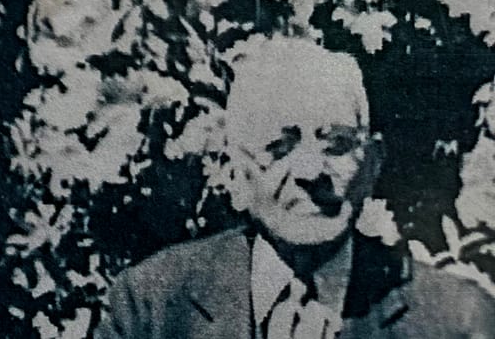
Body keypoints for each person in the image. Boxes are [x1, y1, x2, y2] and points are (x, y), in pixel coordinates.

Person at [99, 37, 495, 339]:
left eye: (337, 143)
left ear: (373, 163)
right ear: (234, 173)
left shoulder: (456, 320)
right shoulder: (151, 309)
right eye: (279, 147)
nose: (310, 171)